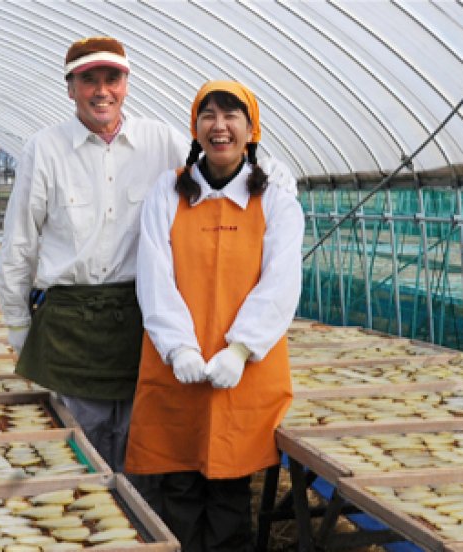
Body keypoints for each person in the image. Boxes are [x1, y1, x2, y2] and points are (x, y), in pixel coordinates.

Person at [0, 36, 295, 481]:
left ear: (126, 84)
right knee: (80, 454)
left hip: (142, 322)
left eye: (111, 79)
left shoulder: (162, 142)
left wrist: (279, 194)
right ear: (70, 87)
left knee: (143, 453)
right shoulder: (44, 149)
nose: (102, 91)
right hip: (70, 327)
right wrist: (19, 326)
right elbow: (18, 245)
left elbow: (228, 160)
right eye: (88, 79)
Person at [125, 80, 304, 552]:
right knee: (178, 492)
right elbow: (155, 275)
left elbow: (280, 284)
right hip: (175, 368)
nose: (219, 126)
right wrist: (178, 345)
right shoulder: (168, 191)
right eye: (208, 115)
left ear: (251, 129)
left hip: (243, 373)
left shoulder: (278, 201)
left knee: (229, 494)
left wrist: (241, 349)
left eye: (231, 116)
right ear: (195, 126)